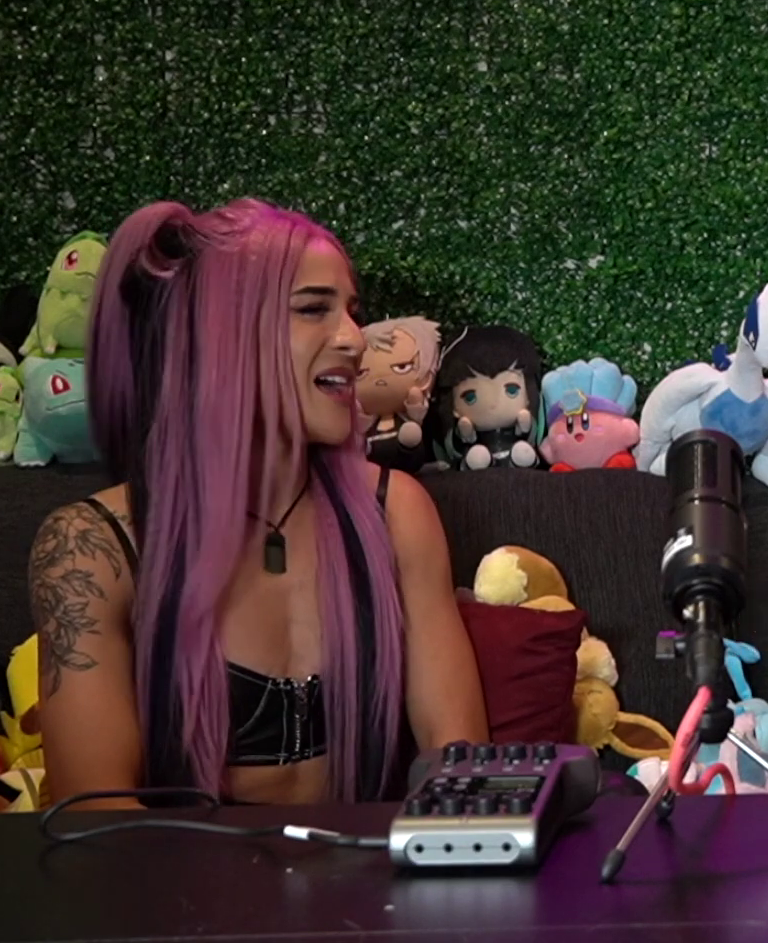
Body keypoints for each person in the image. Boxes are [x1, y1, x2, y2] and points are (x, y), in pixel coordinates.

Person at [29, 199, 488, 809]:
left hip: (369, 868)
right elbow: (96, 820)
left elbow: (458, 763)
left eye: (352, 312)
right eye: (313, 309)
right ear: (220, 334)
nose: (355, 339)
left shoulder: (395, 511)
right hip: (172, 870)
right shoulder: (91, 548)